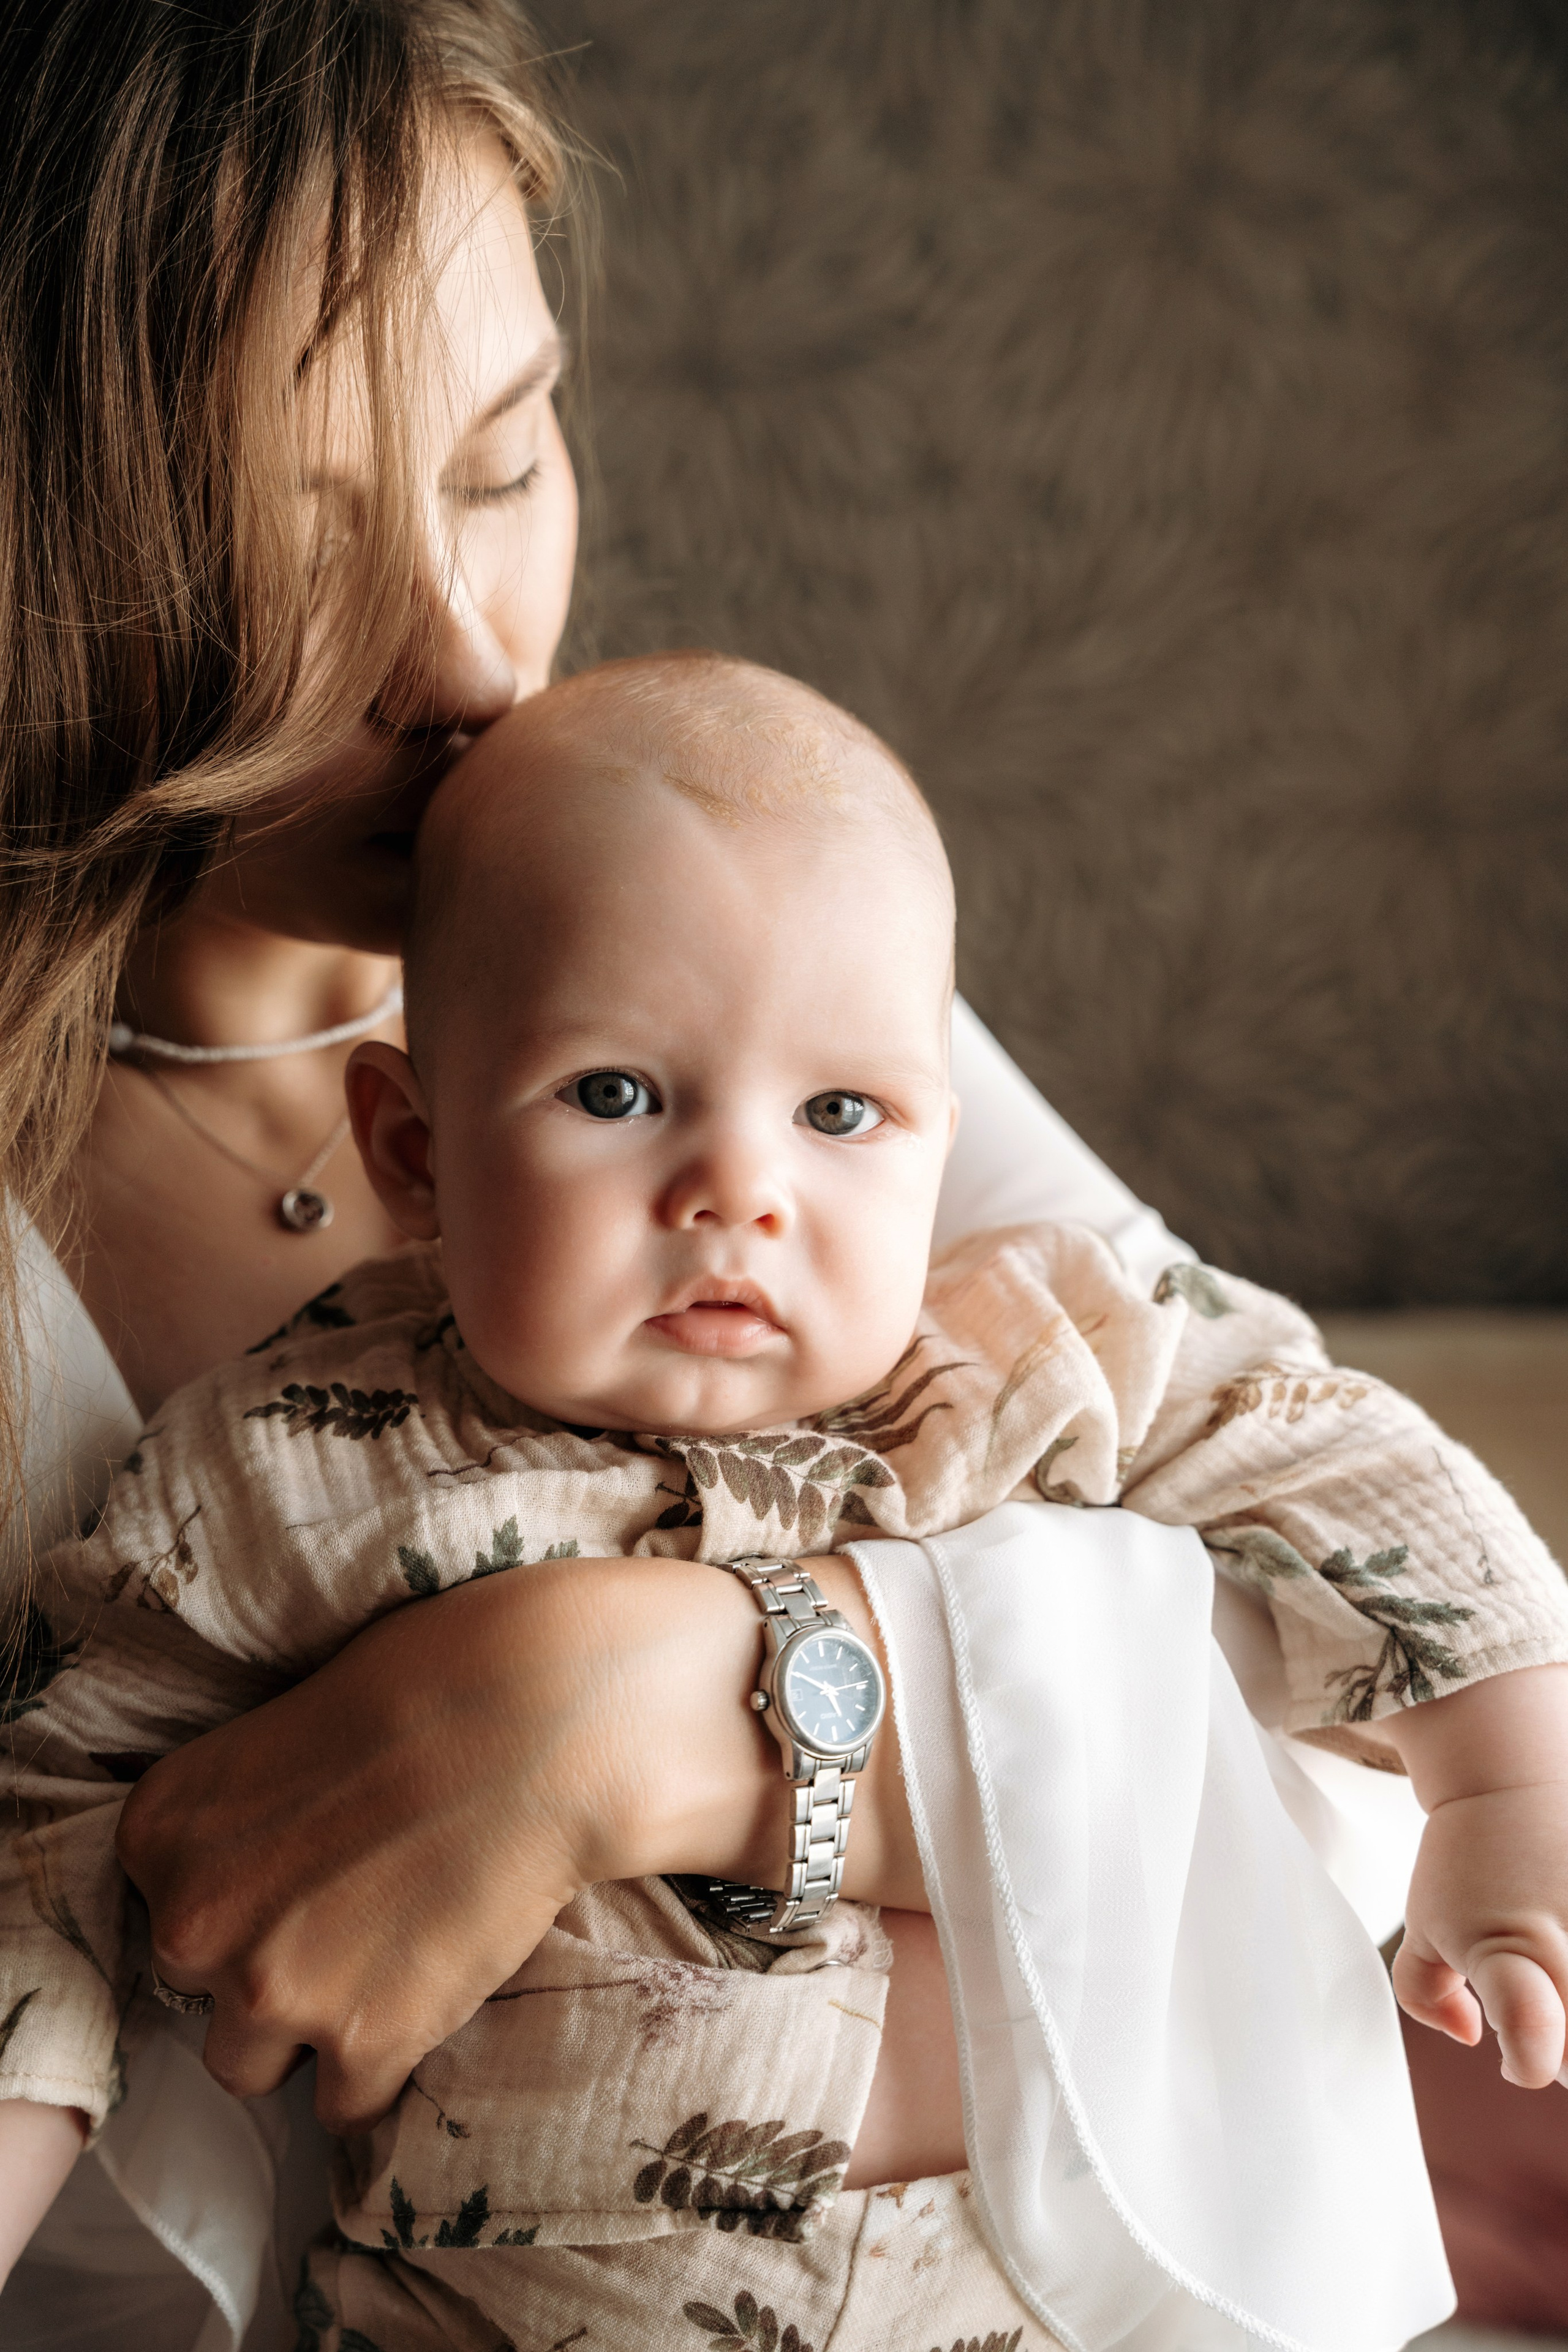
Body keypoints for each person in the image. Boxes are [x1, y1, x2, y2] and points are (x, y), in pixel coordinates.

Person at [0, 6, 1480, 2349]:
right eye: (288, 558)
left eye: (504, 461)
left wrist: (632, 1708)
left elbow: (1356, 1715)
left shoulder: (738, 968)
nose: (468, 653)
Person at [12, 652, 1568, 2350]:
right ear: (415, 1151)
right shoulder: (289, 1470)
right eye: (617, 1095)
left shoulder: (1023, 1352)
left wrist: (1509, 1793)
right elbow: (49, 1847)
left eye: (840, 1113)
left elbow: (1343, 1462)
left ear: (940, 1140)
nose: (740, 1190)